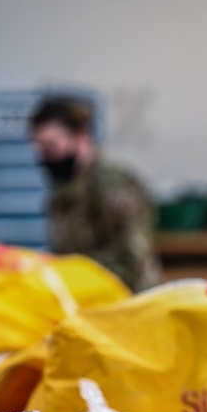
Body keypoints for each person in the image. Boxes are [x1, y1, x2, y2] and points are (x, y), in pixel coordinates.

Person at [29, 96, 161, 292]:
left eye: (51, 146)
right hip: (87, 300)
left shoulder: (113, 187)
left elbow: (130, 261)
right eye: (40, 148)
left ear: (82, 136)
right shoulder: (66, 187)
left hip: (126, 303)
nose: (45, 157)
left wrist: (66, 273)